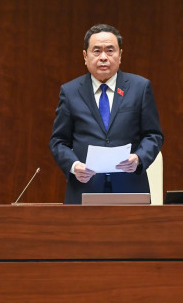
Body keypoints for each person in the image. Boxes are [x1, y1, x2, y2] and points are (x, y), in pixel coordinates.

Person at [50, 24, 164, 204]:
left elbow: (153, 135)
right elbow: (58, 142)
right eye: (97, 51)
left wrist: (139, 158)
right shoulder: (70, 91)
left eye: (110, 51)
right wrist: (74, 166)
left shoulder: (140, 88)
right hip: (85, 188)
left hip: (130, 187)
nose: (103, 57)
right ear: (85, 56)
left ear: (120, 55)